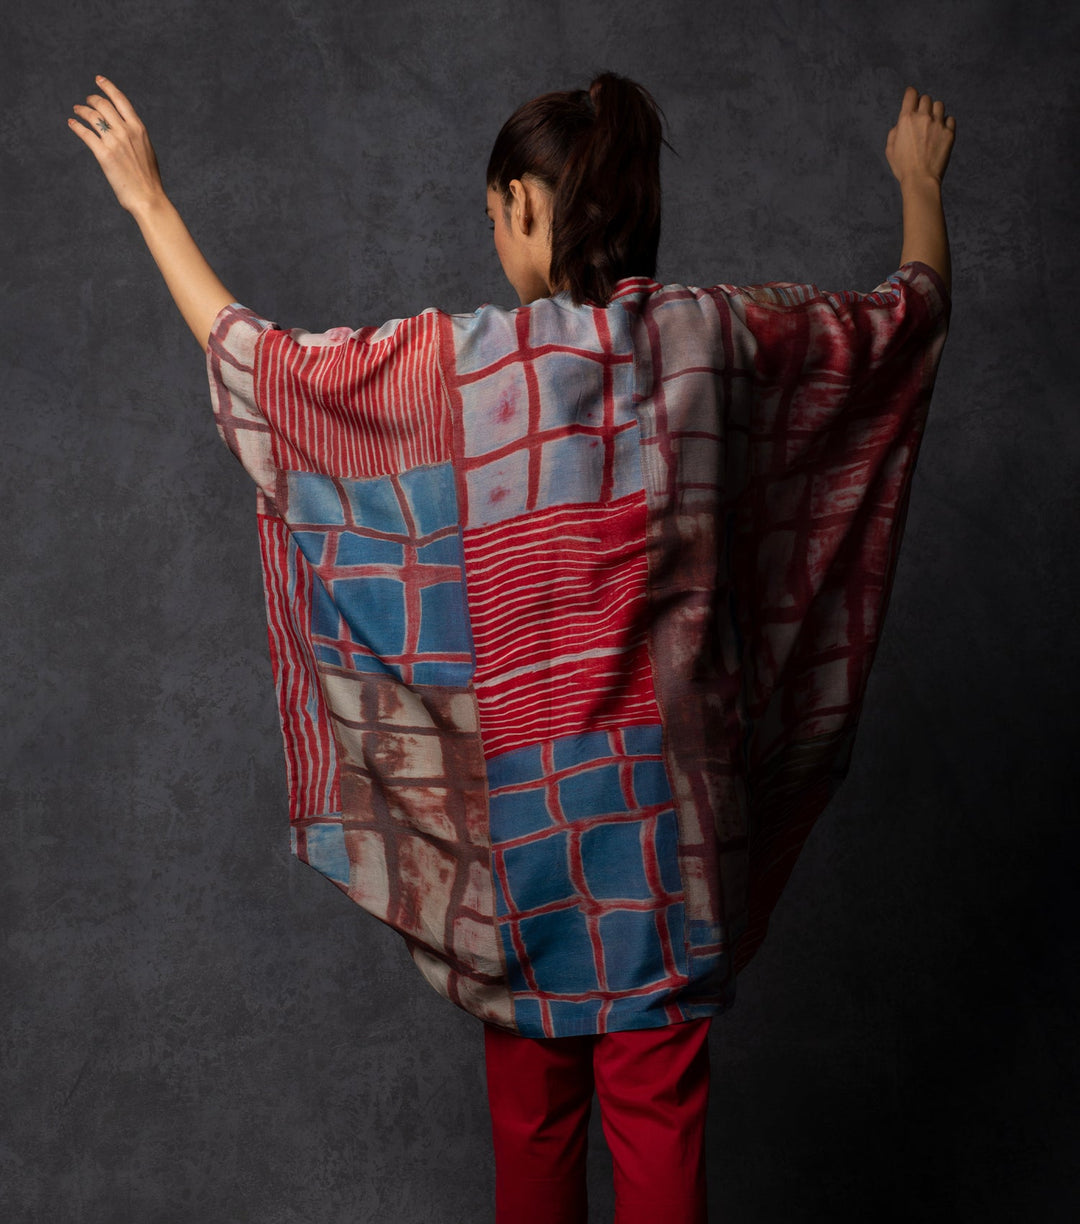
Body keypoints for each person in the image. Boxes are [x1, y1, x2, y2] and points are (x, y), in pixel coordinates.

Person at [68, 70, 954, 1224]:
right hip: (671, 851)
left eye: (495, 215)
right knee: (663, 1156)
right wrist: (920, 184)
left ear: (528, 205)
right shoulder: (718, 343)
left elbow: (268, 372)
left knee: (534, 1148)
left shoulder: (461, 367)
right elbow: (903, 321)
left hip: (520, 850)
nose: (493, 239)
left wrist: (151, 204)